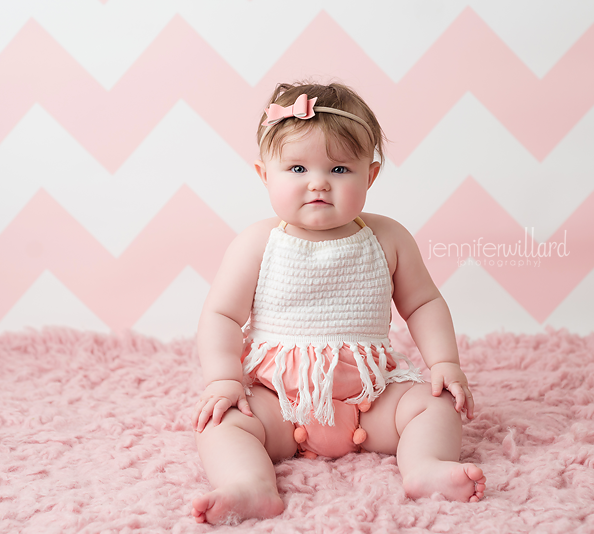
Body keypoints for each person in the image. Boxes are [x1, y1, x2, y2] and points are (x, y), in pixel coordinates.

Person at [191, 82, 486, 525]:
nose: (318, 184)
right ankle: (250, 484)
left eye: (340, 170)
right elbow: (221, 316)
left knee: (436, 405)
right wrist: (223, 379)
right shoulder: (258, 243)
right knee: (223, 423)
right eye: (296, 168)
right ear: (263, 174)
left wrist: (445, 363)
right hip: (279, 401)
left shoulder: (388, 238)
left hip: (371, 397)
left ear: (370, 175)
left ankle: (424, 466)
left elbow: (423, 303)